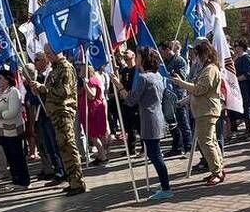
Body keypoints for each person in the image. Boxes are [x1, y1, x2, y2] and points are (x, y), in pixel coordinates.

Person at [118, 47, 173, 201]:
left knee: (155, 155)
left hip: (149, 119)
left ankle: (166, 187)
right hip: (156, 117)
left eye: (138, 56)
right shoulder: (156, 76)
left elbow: (131, 100)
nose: (136, 58)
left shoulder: (143, 78)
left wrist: (120, 86)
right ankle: (164, 183)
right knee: (156, 153)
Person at [171, 40, 225, 185]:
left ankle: (217, 171)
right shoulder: (205, 69)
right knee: (210, 141)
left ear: (204, 54)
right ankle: (218, 168)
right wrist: (183, 102)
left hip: (207, 110)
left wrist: (180, 83)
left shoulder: (210, 69)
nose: (195, 57)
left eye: (197, 54)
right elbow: (197, 91)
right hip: (203, 110)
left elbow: (199, 89)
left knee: (206, 142)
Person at [38, 44, 86, 195]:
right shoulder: (55, 69)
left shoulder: (65, 67)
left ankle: (78, 183)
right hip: (56, 114)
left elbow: (64, 91)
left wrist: (45, 88)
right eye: (45, 53)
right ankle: (72, 180)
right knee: (63, 148)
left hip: (64, 112)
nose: (47, 56)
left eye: (49, 52)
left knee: (69, 147)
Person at [29, 53, 66, 184]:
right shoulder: (35, 76)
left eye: (37, 60)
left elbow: (54, 91)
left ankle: (63, 171)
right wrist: (33, 92)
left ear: (45, 61)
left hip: (52, 112)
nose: (35, 62)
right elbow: (32, 99)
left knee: (56, 144)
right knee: (48, 145)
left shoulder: (51, 74)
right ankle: (57, 170)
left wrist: (41, 88)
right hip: (42, 114)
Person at [0, 69, 30, 190]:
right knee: (10, 157)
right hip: (2, 131)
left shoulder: (13, 92)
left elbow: (12, 112)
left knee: (17, 155)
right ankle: (16, 180)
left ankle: (24, 181)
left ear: (7, 79)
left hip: (14, 130)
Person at [160, 41, 193, 156]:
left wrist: (170, 75)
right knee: (172, 123)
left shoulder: (179, 61)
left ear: (167, 50)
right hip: (167, 95)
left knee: (183, 121)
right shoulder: (163, 63)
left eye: (161, 51)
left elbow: (183, 78)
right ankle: (177, 146)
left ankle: (188, 146)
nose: (161, 54)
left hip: (179, 95)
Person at [80, 64, 109, 165]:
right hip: (91, 110)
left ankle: (103, 155)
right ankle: (101, 155)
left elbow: (92, 95)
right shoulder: (90, 80)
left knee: (93, 135)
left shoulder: (91, 80)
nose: (80, 71)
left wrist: (85, 85)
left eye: (82, 70)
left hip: (93, 110)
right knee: (95, 135)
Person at [234, 39, 250, 135]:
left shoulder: (246, 57)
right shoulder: (238, 58)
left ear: (241, 47)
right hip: (241, 88)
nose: (235, 48)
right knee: (245, 109)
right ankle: (247, 130)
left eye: (237, 46)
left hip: (247, 87)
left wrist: (237, 79)